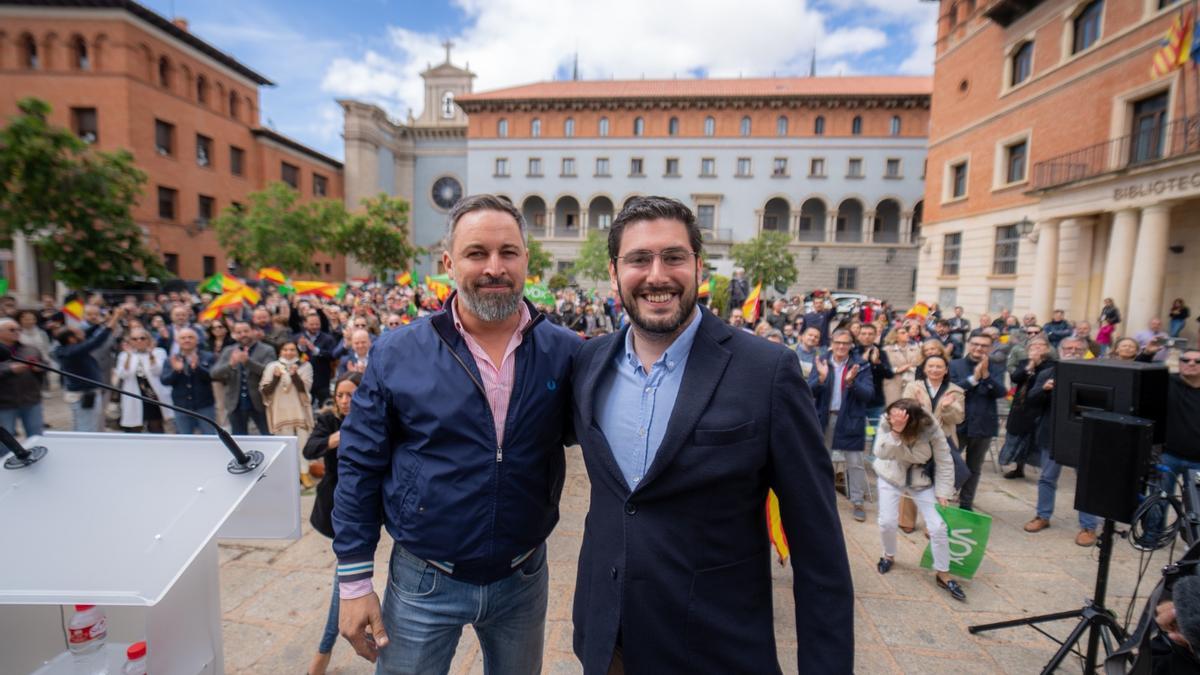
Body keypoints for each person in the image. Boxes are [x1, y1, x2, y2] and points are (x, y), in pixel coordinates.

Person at [570, 196, 852, 672]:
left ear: (699, 266)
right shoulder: (588, 364)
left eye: (673, 257)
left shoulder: (767, 372)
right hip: (607, 643)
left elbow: (818, 547)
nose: (657, 274)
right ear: (614, 272)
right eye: (639, 259)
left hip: (715, 651)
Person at [334, 195, 579, 674]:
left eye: (508, 252)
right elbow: (359, 464)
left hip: (523, 576)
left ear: (527, 260)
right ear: (448, 263)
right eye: (476, 253)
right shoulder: (398, 352)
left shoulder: (566, 352)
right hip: (424, 578)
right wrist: (354, 581)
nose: (494, 267)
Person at [873, 399, 967, 601]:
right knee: (887, 522)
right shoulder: (888, 421)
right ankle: (888, 555)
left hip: (921, 479)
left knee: (938, 526)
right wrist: (895, 432)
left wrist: (943, 492)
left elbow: (944, 459)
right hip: (891, 475)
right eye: (891, 414)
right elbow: (880, 452)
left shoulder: (930, 427)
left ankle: (943, 573)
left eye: (899, 417)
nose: (892, 418)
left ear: (912, 421)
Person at [304, 371, 362, 675]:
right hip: (338, 509)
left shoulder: (375, 420)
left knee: (351, 581)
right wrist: (339, 436)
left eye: (351, 394)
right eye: (340, 395)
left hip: (369, 509)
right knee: (347, 579)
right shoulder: (329, 420)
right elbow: (309, 449)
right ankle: (324, 650)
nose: (344, 400)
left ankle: (327, 650)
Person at [1020, 336, 1101, 545]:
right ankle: (1042, 516)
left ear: (1085, 352)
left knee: (1086, 482)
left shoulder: (1095, 374)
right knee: (1047, 477)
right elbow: (1031, 400)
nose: (1072, 351)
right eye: (1068, 348)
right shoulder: (1048, 372)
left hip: (1083, 436)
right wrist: (1044, 390)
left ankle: (1089, 526)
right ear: (1060, 351)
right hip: (1052, 434)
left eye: (1077, 349)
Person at [810, 328, 875, 522]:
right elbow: (808, 390)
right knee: (822, 460)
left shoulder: (861, 365)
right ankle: (822, 499)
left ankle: (857, 501)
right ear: (832, 343)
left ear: (851, 345)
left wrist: (851, 383)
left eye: (845, 343)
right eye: (838, 342)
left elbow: (868, 395)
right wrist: (821, 379)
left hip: (850, 419)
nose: (841, 346)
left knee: (855, 463)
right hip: (825, 418)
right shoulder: (821, 361)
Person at [901, 353, 965, 534]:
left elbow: (958, 418)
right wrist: (921, 406)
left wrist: (947, 407)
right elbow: (907, 413)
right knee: (911, 477)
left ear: (946, 370)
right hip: (917, 439)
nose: (935, 370)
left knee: (941, 480)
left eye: (939, 367)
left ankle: (934, 523)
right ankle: (906, 519)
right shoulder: (913, 387)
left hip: (944, 440)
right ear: (924, 369)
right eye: (931, 366)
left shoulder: (955, 391)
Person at [950, 333, 1006, 512]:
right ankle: (945, 495)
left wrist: (986, 376)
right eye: (975, 344)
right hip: (957, 423)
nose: (979, 348)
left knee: (974, 467)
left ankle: (966, 505)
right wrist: (973, 379)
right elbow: (952, 389)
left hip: (983, 424)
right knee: (950, 463)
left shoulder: (996, 367)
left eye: (984, 345)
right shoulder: (954, 364)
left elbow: (1001, 392)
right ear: (968, 344)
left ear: (990, 348)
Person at [53, 307, 122, 432]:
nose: (83, 332)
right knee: (86, 427)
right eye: (78, 332)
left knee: (84, 424)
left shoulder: (67, 347)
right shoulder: (73, 351)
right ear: (71, 339)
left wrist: (103, 321)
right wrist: (115, 317)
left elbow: (88, 332)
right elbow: (97, 340)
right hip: (84, 395)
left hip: (86, 393)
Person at [260, 341, 316, 487]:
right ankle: (290, 475)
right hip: (280, 411)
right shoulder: (271, 366)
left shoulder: (305, 366)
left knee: (303, 443)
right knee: (285, 445)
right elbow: (265, 391)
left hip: (299, 410)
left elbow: (306, 389)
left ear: (297, 352)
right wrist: (276, 378)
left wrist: (295, 375)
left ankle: (304, 472)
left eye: (292, 349)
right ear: (280, 351)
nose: (289, 352)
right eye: (285, 349)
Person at [998, 337, 1054, 480]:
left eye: (1040, 345)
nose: (1037, 348)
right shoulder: (1024, 363)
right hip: (1021, 406)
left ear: (1047, 349)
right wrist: (1029, 366)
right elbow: (1015, 378)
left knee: (1031, 440)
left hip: (1037, 406)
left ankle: (1042, 472)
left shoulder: (1051, 366)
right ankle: (1018, 468)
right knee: (1016, 437)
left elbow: (1041, 384)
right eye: (1033, 346)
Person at [211, 321, 276, 435]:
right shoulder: (228, 350)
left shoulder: (267, 349)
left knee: (268, 435)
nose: (243, 334)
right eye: (239, 332)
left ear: (253, 331)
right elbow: (214, 374)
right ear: (234, 335)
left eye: (246, 331)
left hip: (261, 402)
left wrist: (248, 362)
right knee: (238, 438)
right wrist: (230, 364)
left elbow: (270, 372)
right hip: (235, 403)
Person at [158, 327, 217, 434]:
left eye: (190, 337)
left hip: (204, 405)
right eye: (183, 338)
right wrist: (176, 371)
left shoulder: (208, 356)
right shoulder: (171, 359)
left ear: (197, 340)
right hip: (181, 407)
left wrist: (197, 368)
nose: (187, 340)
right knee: (184, 438)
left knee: (209, 437)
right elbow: (164, 381)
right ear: (177, 341)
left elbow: (214, 376)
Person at [114, 328, 173, 433]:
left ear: (148, 339)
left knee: (156, 426)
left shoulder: (159, 352)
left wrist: (151, 355)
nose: (139, 341)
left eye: (142, 338)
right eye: (134, 339)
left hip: (153, 396)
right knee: (135, 427)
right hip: (134, 395)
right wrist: (128, 356)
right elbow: (123, 374)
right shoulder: (124, 355)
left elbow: (158, 371)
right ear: (130, 341)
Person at [0, 318, 44, 441]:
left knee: (37, 437)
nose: (17, 332)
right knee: (5, 441)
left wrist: (39, 368)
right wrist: (9, 370)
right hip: (4, 403)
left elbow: (45, 364)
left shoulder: (30, 349)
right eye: (12, 330)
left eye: (19, 329)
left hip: (30, 399)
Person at [295, 313, 337, 408]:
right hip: (304, 381)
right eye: (312, 324)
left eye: (317, 324)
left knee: (326, 407)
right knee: (305, 407)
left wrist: (316, 350)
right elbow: (292, 355)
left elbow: (333, 355)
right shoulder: (298, 337)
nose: (315, 327)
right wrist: (300, 347)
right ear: (305, 324)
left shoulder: (328, 338)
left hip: (322, 380)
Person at [883, 321, 921, 405]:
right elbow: (883, 368)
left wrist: (911, 368)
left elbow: (920, 364)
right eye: (903, 333)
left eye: (907, 332)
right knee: (895, 407)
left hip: (912, 383)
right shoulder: (886, 350)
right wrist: (897, 369)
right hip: (894, 384)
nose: (907, 334)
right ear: (895, 336)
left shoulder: (916, 348)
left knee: (911, 407)